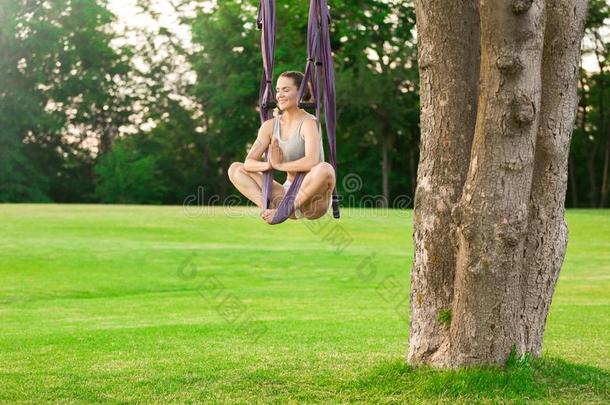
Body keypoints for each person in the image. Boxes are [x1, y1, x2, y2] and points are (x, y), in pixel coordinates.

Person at [228, 71, 335, 224]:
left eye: (286, 90)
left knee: (325, 169)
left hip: (312, 198)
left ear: (301, 92)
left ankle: (282, 212)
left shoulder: (310, 123)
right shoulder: (270, 126)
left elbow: (312, 162)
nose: (280, 95)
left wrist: (280, 165)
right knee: (235, 169)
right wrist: (269, 164)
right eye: (278, 90)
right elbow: (249, 163)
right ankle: (267, 208)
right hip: (287, 194)